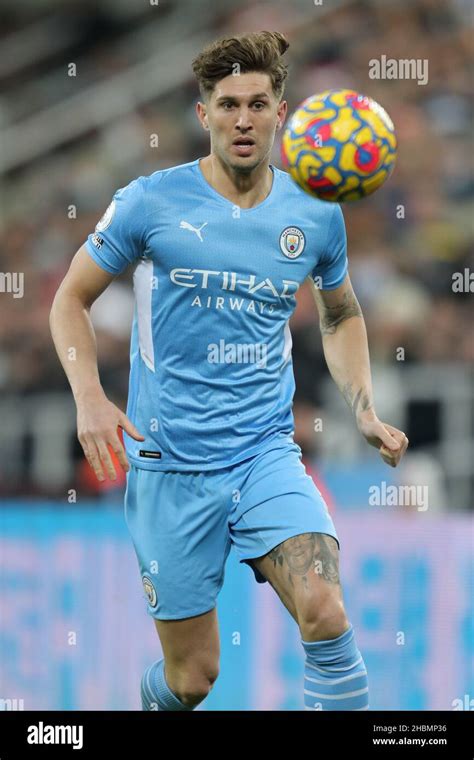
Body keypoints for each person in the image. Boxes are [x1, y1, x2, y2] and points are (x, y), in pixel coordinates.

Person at [50, 31, 408, 712]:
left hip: (263, 454)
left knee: (326, 611)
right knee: (193, 680)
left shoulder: (315, 211)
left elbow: (341, 314)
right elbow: (70, 299)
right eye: (227, 105)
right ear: (203, 115)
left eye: (257, 103)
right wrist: (89, 398)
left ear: (281, 112)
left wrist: (362, 406)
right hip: (170, 466)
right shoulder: (149, 202)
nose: (243, 119)